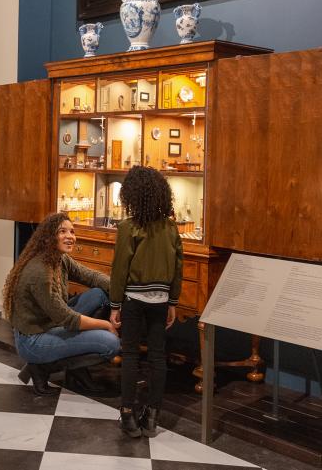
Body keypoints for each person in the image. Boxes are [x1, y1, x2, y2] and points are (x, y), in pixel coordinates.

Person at [3, 212, 120, 395]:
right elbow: (66, 318)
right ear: (49, 237)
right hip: (34, 340)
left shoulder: (59, 258)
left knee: (98, 293)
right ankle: (42, 368)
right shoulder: (40, 272)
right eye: (62, 231)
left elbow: (91, 276)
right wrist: (105, 325)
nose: (70, 236)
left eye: (72, 231)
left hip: (51, 324)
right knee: (111, 343)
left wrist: (122, 293)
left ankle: (71, 364)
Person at [109, 166, 182, 438]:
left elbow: (120, 269)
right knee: (157, 356)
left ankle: (128, 415)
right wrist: (172, 301)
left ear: (132, 195)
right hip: (161, 299)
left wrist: (115, 305)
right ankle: (152, 417)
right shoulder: (171, 228)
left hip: (133, 300)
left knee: (129, 355)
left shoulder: (128, 227)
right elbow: (178, 268)